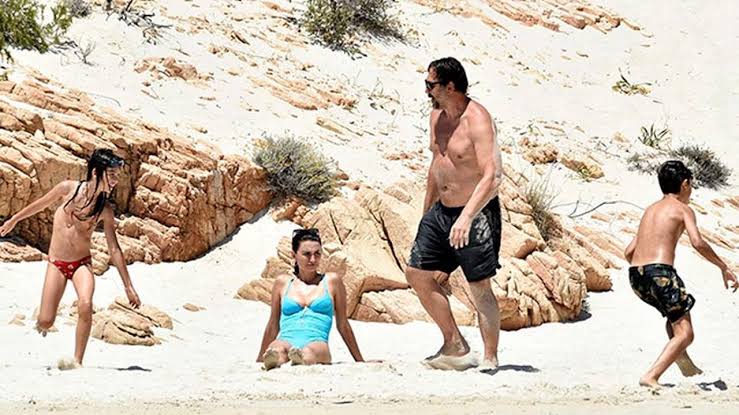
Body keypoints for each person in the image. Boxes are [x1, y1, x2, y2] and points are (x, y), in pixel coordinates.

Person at [0, 148, 142, 370]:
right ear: (96, 172)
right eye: (111, 174)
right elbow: (40, 204)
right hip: (56, 263)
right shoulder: (67, 189)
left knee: (85, 304)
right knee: (46, 321)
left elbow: (114, 249)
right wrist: (14, 220)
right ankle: (43, 318)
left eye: (117, 175)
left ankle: (77, 361)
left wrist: (129, 286)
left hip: (81, 264)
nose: (115, 180)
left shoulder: (104, 210)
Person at [406, 57, 504, 371]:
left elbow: (492, 175)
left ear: (450, 86)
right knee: (417, 274)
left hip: (475, 213)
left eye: (430, 84)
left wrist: (467, 218)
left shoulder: (478, 119)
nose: (426, 90)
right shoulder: (436, 117)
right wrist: (426, 213)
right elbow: (437, 166)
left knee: (479, 285)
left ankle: (490, 357)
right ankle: (455, 343)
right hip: (441, 211)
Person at [624, 160, 737, 388]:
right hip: (660, 272)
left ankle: (682, 358)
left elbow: (629, 252)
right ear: (685, 184)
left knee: (674, 317)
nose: (691, 191)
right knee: (686, 333)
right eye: (691, 186)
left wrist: (645, 271)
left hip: (636, 275)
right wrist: (723, 266)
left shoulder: (650, 210)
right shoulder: (683, 209)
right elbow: (697, 242)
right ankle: (651, 376)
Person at [256, 228, 366, 370]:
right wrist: (259, 359)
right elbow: (273, 324)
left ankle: (300, 358)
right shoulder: (282, 283)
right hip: (286, 339)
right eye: (307, 254)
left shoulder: (332, 281)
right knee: (277, 350)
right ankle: (275, 360)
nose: (313, 259)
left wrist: (360, 360)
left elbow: (343, 324)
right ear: (294, 255)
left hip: (317, 342)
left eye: (317, 254)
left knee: (309, 352)